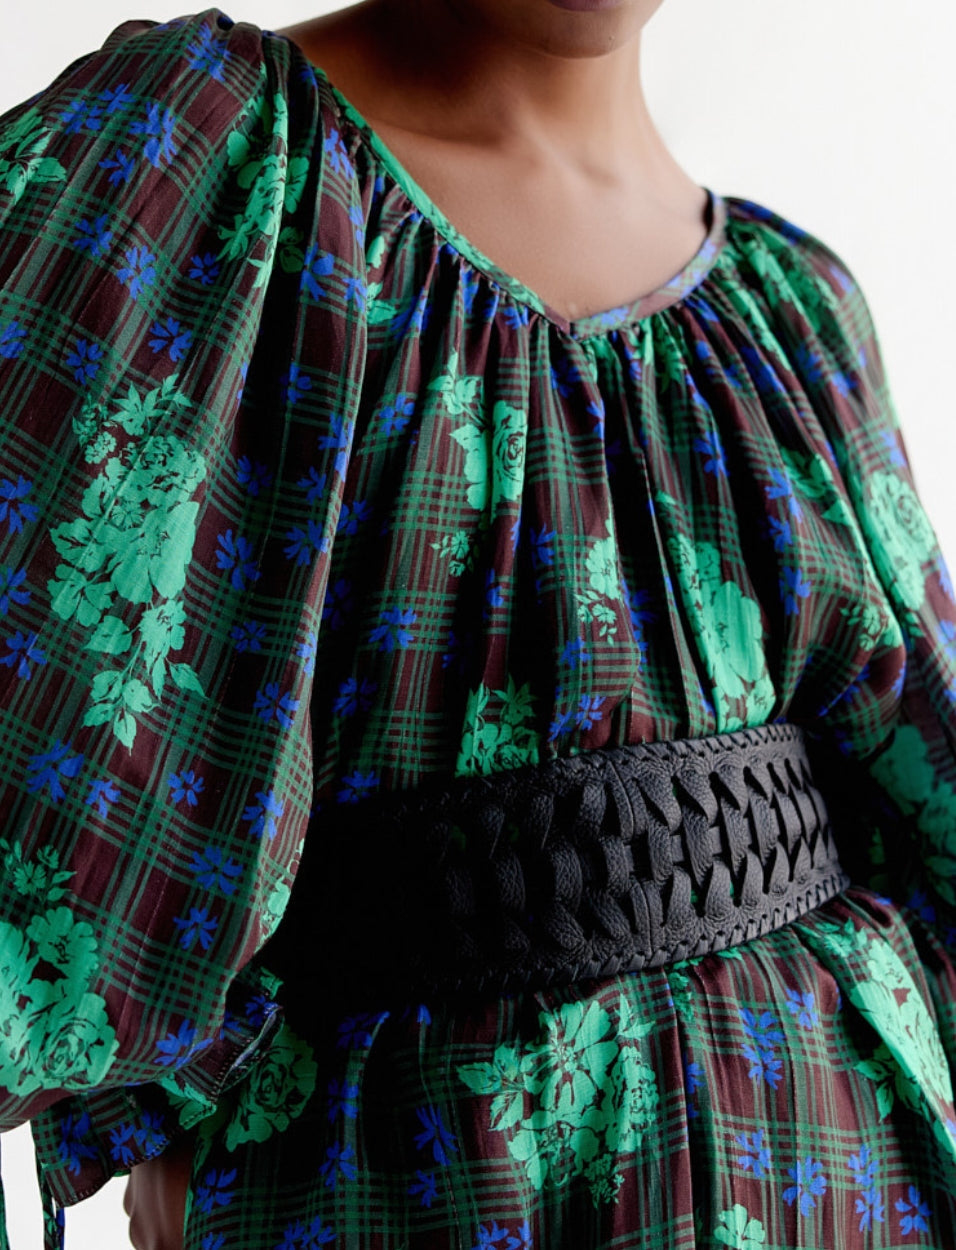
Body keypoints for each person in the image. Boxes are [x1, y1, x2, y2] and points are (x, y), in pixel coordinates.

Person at [0, 2, 955, 1248]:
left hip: (839, 1181)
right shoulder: (222, 161)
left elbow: (914, 797)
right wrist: (157, 1113)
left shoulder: (795, 312)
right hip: (404, 1191)